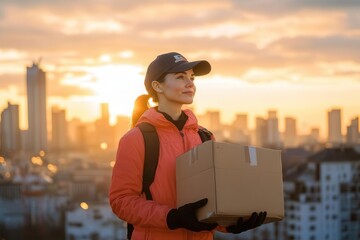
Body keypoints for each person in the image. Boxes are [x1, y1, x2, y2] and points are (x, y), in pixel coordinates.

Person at [109, 52, 266, 240]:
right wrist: (173, 218)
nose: (190, 83)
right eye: (180, 77)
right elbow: (121, 201)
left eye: (192, 77)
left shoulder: (205, 137)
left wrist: (231, 224)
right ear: (157, 86)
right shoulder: (136, 139)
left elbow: (211, 201)